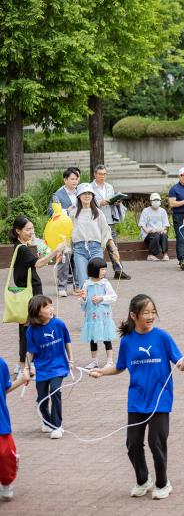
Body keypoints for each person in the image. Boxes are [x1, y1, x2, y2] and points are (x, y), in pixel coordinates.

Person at [89, 294, 184, 500]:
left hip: (160, 398)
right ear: (134, 315)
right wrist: (101, 372)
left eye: (153, 312)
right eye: (146, 313)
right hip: (136, 399)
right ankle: (143, 480)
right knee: (132, 443)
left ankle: (163, 483)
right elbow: (119, 367)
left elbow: (179, 358)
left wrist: (180, 364)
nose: (151, 316)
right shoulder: (128, 341)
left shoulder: (162, 337)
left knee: (155, 442)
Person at [8, 216, 64, 375]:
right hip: (31, 293)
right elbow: (38, 263)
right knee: (31, 328)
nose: (31, 232)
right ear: (18, 231)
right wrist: (55, 251)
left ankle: (23, 364)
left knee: (28, 328)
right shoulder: (23, 249)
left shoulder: (21, 246)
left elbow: (37, 263)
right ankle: (25, 365)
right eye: (27, 229)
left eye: (32, 228)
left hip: (28, 292)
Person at [25, 295, 73, 439]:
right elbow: (30, 352)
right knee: (42, 398)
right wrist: (27, 368)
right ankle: (47, 421)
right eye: (46, 307)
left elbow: (67, 341)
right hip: (42, 368)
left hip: (59, 365)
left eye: (51, 305)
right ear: (37, 311)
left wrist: (71, 360)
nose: (51, 309)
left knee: (55, 391)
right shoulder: (31, 331)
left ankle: (57, 426)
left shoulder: (58, 324)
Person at [70, 183, 119, 294]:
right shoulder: (73, 214)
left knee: (98, 280)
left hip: (96, 249)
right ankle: (87, 308)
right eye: (83, 193)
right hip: (79, 250)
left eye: (89, 193)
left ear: (92, 196)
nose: (86, 196)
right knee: (83, 282)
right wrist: (64, 250)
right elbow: (68, 234)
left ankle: (99, 308)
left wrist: (114, 249)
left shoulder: (98, 213)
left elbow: (106, 233)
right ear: (78, 196)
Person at [91, 164, 130, 280]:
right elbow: (89, 203)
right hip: (95, 220)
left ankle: (119, 270)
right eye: (100, 174)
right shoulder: (90, 187)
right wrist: (101, 202)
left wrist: (116, 202)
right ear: (95, 174)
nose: (102, 176)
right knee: (96, 246)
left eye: (104, 174)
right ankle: (95, 271)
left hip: (109, 220)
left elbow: (111, 201)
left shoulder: (109, 186)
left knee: (113, 245)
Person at [0, 355, 30, 501]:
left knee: (5, 455)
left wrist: (21, 380)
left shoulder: (1, 364)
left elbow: (4, 389)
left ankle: (6, 483)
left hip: (0, 421)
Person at [79, 258, 117, 369]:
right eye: (102, 269)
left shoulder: (105, 283)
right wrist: (84, 299)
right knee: (93, 339)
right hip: (91, 318)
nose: (105, 272)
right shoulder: (87, 284)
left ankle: (109, 360)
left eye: (105, 269)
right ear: (95, 270)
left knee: (106, 338)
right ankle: (94, 361)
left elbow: (113, 297)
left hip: (104, 317)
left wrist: (102, 298)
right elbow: (83, 305)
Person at [49, 167, 81, 297]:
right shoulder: (58, 195)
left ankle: (77, 286)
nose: (75, 181)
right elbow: (51, 212)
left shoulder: (82, 192)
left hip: (79, 230)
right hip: (64, 232)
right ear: (65, 179)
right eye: (72, 179)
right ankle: (61, 286)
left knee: (78, 258)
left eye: (77, 178)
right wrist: (66, 211)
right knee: (64, 258)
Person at [138, 193, 170, 262]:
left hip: (159, 232)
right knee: (156, 235)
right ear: (151, 201)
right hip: (149, 235)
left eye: (158, 200)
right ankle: (151, 255)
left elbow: (165, 225)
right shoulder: (146, 211)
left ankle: (165, 254)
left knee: (164, 235)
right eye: (154, 200)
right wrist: (148, 230)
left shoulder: (162, 211)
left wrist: (161, 229)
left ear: (160, 201)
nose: (156, 202)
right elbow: (142, 224)